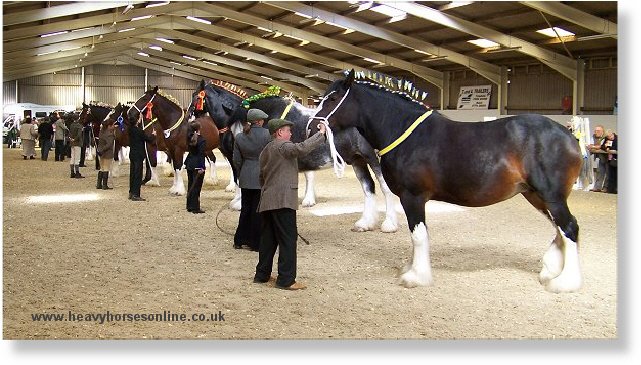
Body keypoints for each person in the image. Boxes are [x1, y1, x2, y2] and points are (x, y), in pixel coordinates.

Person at [253, 118, 327, 290]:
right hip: (283, 200)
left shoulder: (266, 150)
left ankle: (262, 274)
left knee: (268, 240)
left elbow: (261, 177)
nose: (291, 133)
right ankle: (286, 279)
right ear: (279, 132)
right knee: (288, 239)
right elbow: (301, 148)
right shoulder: (283, 146)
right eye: (288, 130)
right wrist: (320, 134)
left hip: (268, 199)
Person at [233, 108, 271, 251]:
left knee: (245, 210)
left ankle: (239, 239)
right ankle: (255, 242)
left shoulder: (240, 136)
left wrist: (241, 172)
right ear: (260, 121)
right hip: (261, 176)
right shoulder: (267, 135)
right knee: (258, 211)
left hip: (245, 176)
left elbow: (236, 160)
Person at [128, 116, 156, 201]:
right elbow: (148, 139)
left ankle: (131, 192)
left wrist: (139, 118)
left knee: (132, 173)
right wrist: (153, 134)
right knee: (138, 174)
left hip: (132, 153)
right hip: (139, 155)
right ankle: (136, 194)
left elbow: (136, 125)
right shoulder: (139, 131)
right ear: (136, 122)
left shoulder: (130, 129)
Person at [184, 121, 207, 213]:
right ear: (199, 128)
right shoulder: (201, 140)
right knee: (196, 186)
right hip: (197, 164)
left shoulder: (189, 138)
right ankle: (195, 207)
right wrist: (202, 166)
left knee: (191, 184)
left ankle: (189, 205)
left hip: (190, 163)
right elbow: (201, 154)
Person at [588, 125, 608, 192]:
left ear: (602, 131)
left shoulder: (605, 137)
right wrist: (596, 147)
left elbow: (602, 146)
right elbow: (590, 146)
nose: (596, 132)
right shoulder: (593, 136)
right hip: (600, 157)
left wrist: (595, 147)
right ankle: (597, 187)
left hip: (608, 157)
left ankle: (606, 188)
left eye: (598, 131)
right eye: (595, 130)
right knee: (599, 172)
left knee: (608, 173)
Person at [96, 121, 116, 190]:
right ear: (109, 126)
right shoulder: (110, 134)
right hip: (107, 153)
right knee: (106, 168)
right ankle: (104, 185)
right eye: (113, 125)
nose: (114, 126)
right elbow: (109, 144)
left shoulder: (101, 132)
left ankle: (99, 184)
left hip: (100, 152)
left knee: (102, 168)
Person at [601, 130, 618, 194]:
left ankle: (616, 189)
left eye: (610, 136)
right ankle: (610, 189)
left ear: (612, 134)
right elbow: (602, 146)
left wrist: (611, 150)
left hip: (616, 159)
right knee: (610, 175)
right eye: (608, 137)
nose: (609, 138)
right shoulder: (607, 139)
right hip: (610, 160)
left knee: (616, 175)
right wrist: (605, 147)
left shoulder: (618, 139)